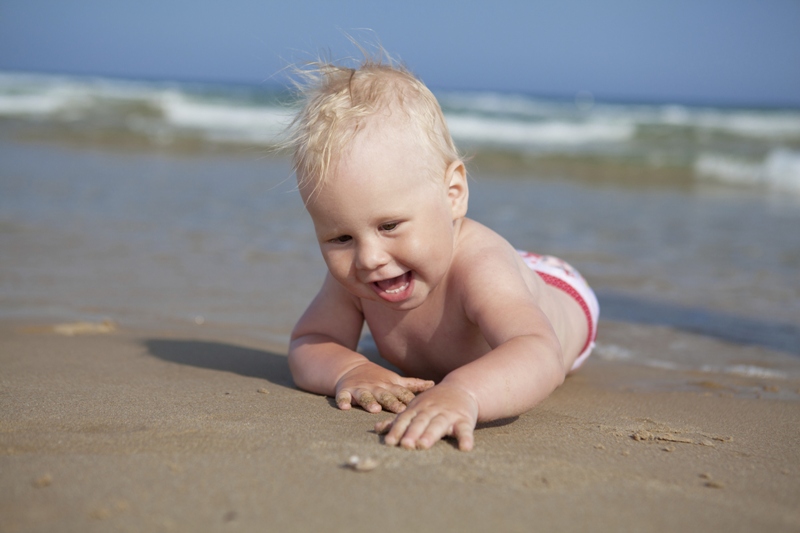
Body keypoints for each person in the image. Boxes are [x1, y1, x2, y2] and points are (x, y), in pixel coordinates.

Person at [285, 54, 599, 451]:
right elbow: (310, 341)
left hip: (560, 290)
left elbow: (539, 351)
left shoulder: (480, 268)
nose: (368, 257)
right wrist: (350, 368)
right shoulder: (363, 269)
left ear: (453, 195)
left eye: (389, 226)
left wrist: (465, 392)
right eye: (340, 239)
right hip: (470, 259)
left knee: (506, 286)